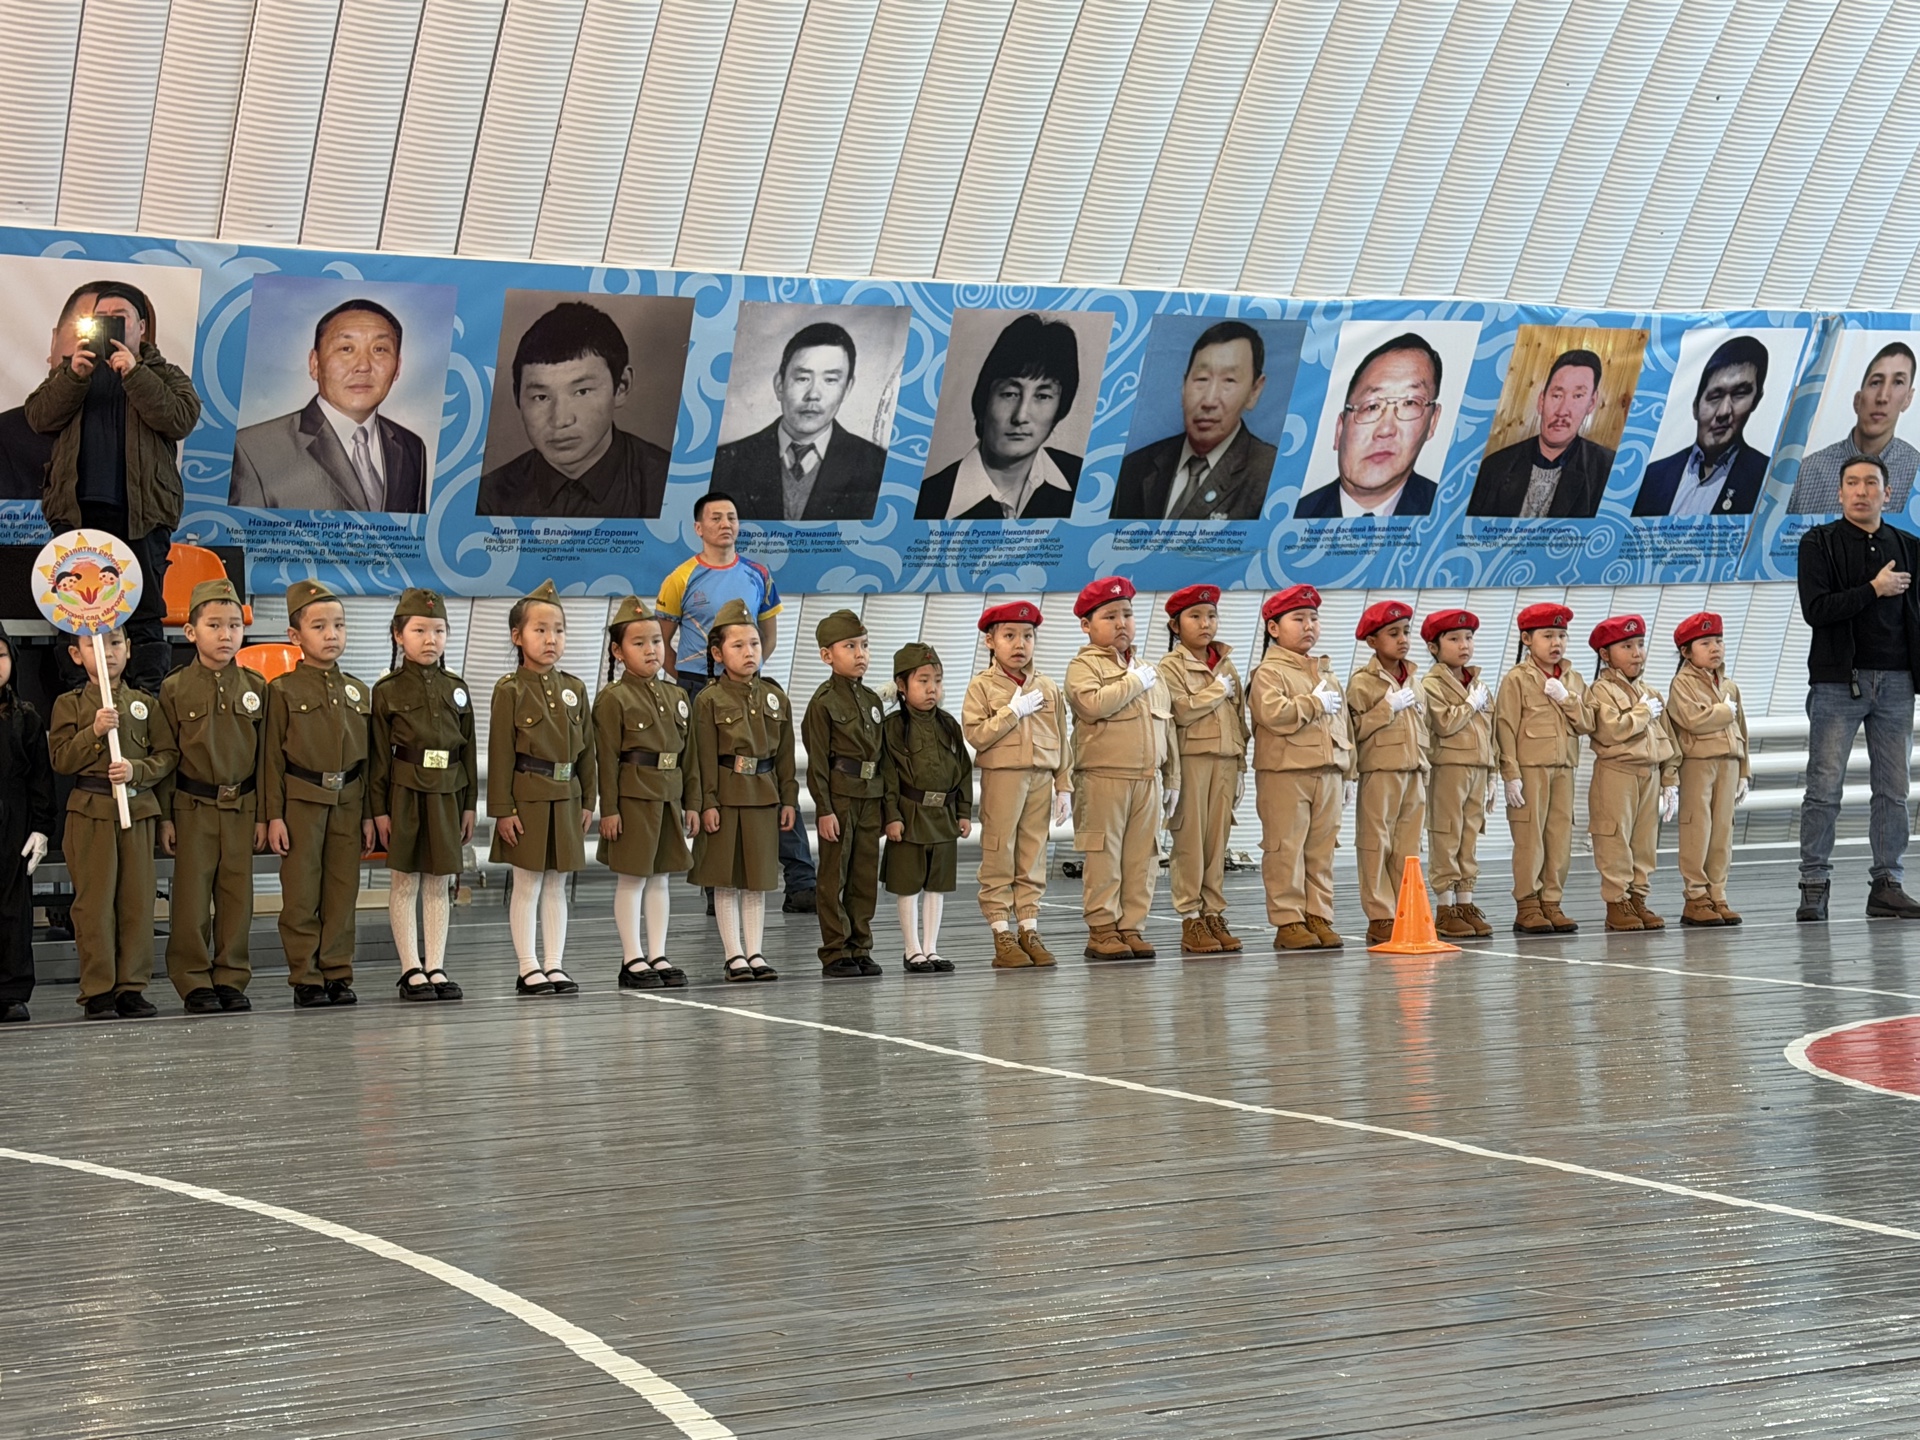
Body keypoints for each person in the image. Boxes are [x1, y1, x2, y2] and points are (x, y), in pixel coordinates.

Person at [27, 279, 200, 696]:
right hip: (77, 514)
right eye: (101, 318)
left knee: (143, 613)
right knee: (74, 615)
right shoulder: (72, 369)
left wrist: (134, 373)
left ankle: (145, 704)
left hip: (142, 515)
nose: (109, 324)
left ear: (141, 327)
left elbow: (180, 418)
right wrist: (73, 376)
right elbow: (39, 418)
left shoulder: (164, 374)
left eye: (119, 318)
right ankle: (80, 704)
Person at [657, 491, 816, 910]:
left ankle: (801, 881)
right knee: (712, 784)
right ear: (699, 527)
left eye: (731, 517)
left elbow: (768, 637)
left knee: (771, 777)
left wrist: (744, 671)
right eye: (716, 518)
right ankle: (718, 886)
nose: (725, 524)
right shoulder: (680, 578)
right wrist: (690, 681)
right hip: (698, 689)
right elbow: (660, 643)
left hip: (751, 689)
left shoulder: (758, 573)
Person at [1795, 452, 1920, 920]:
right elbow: (1817, 610)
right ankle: (1814, 883)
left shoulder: (1908, 546)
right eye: (1852, 483)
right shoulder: (1819, 543)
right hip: (1838, 682)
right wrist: (1873, 589)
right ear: (1839, 491)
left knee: (1893, 789)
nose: (1861, 491)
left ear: (1888, 492)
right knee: (1824, 788)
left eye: (1871, 483)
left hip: (1896, 681)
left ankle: (1887, 883)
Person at [261, 579, 375, 1008]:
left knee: (342, 893)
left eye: (339, 625)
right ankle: (305, 976)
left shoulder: (359, 691)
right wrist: (274, 815)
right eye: (319, 626)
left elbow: (369, 762)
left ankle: (337, 972)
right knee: (301, 895)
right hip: (302, 803)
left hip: (348, 802)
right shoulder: (281, 691)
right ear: (295, 636)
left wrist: (368, 814)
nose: (332, 635)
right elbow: (271, 760)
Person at [51, 624, 175, 1019]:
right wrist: (94, 731)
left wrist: (137, 771)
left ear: (129, 649)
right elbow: (61, 760)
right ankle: (98, 989)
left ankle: (131, 987)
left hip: (136, 812)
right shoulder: (69, 705)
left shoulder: (144, 704)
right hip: (91, 813)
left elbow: (167, 755)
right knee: (95, 905)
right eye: (94, 645)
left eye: (116, 643)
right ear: (76, 655)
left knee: (137, 902)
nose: (107, 652)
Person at [156, 577, 267, 1014]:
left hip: (243, 806)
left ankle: (231, 977)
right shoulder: (174, 688)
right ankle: (193, 979)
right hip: (193, 807)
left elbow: (266, 759)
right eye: (214, 625)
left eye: (234, 626)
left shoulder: (257, 687)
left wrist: (264, 815)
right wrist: (166, 817)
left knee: (238, 898)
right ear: (191, 632)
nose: (226, 635)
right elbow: (166, 757)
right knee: (191, 899)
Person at [488, 580, 596, 995]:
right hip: (528, 796)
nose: (551, 639)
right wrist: (503, 810)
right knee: (528, 882)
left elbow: (587, 751)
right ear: (517, 636)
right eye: (540, 630)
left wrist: (588, 799)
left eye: (559, 630)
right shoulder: (509, 690)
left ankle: (554, 963)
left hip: (566, 797)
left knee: (556, 883)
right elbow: (501, 753)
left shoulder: (575, 688)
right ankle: (528, 965)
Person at [371, 588, 476, 1002]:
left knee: (439, 881)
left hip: (448, 792)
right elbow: (379, 757)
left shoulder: (457, 688)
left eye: (439, 631)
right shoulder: (387, 690)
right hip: (405, 792)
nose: (430, 639)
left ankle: (436, 965)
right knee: (405, 881)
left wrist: (469, 805)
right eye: (419, 630)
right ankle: (410, 968)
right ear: (399, 635)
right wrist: (379, 810)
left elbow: (468, 751)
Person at [1067, 576, 1178, 961]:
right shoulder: (1084, 667)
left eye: (1127, 614)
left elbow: (1168, 729)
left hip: (1147, 779)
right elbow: (1093, 705)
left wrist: (1173, 777)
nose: (1121, 623)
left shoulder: (1149, 670)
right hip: (1103, 777)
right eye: (1110, 616)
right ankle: (1102, 929)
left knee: (1142, 858)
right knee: (1104, 856)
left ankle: (1131, 926)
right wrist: (1132, 682)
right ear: (1087, 625)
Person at [229, 298, 427, 513]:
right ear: (314, 363)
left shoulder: (413, 447)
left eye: (379, 349)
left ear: (397, 367)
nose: (363, 366)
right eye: (346, 348)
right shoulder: (251, 450)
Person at [475, 301, 669, 519]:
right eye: (541, 397)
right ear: (517, 397)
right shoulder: (487, 498)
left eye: (582, 392)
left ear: (621, 386)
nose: (560, 420)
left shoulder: (667, 484)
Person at [688, 597, 796, 982]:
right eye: (738, 645)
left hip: (763, 796)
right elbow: (701, 757)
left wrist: (789, 799)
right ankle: (734, 954)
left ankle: (756, 952)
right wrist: (707, 802)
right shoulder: (709, 699)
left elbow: (785, 756)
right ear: (717, 654)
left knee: (757, 878)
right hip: (726, 795)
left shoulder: (775, 696)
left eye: (754, 643)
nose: (749, 652)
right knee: (725, 877)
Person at [961, 600, 1070, 969]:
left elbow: (1062, 739)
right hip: (1004, 777)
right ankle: (1001, 933)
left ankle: (1029, 929)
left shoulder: (1048, 687)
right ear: (990, 641)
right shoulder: (982, 686)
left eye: (1028, 636)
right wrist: (1012, 711)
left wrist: (1064, 785)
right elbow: (976, 734)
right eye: (1009, 635)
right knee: (999, 851)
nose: (1020, 644)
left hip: (1041, 779)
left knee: (1033, 854)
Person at [595, 596, 694, 990]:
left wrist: (691, 803)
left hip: (668, 794)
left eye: (656, 641)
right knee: (633, 877)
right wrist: (609, 808)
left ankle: (658, 953)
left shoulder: (676, 696)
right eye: (639, 643)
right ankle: (632, 956)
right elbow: (606, 759)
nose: (652, 649)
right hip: (633, 797)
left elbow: (689, 758)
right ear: (618, 652)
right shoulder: (613, 698)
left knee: (661, 878)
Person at [1249, 584, 1351, 950]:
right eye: (1298, 618)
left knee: (1322, 849)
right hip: (1286, 773)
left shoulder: (1325, 673)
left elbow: (1344, 725)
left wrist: (1348, 771)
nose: (1309, 626)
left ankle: (1317, 914)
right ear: (1274, 628)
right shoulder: (1269, 672)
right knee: (1285, 849)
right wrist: (1313, 703)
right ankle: (1288, 920)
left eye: (1313, 618)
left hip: (1328, 772)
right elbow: (1273, 714)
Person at [917, 312, 1086, 521]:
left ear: (1061, 407)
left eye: (1043, 396)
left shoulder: (1083, 478)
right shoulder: (927, 501)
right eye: (1010, 394)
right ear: (984, 399)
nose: (1021, 416)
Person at [712, 321, 888, 520]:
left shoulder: (878, 466)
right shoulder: (724, 462)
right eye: (802, 378)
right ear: (779, 385)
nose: (813, 394)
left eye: (830, 380)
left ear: (847, 389)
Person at [1157, 584, 1248, 954]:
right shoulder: (1170, 666)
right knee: (1190, 843)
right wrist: (1215, 692)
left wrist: (1241, 765)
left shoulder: (1225, 664)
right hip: (1192, 760)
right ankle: (1190, 916)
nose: (1205, 623)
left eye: (1211, 615)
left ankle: (1213, 912)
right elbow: (1179, 711)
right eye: (1195, 616)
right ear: (1175, 625)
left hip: (1226, 760)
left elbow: (1239, 718)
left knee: (1216, 843)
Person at [1111, 321, 1277, 521]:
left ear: (1254, 391)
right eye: (1201, 378)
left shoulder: (1272, 474)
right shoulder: (1134, 468)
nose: (1209, 401)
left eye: (1229, 380)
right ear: (1184, 385)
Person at [1495, 603, 1593, 934]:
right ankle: (1527, 904)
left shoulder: (1573, 679)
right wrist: (1510, 774)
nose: (1556, 643)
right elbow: (1505, 727)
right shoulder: (1517, 679)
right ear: (1527, 639)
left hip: (1564, 768)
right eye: (1548, 635)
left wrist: (1567, 698)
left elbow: (1588, 722)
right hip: (1530, 770)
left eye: (1562, 635)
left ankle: (1551, 901)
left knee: (1559, 837)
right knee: (1530, 838)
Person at [804, 609, 887, 979]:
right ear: (827, 655)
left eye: (864, 645)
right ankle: (836, 950)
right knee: (834, 875)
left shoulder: (872, 700)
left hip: (870, 796)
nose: (860, 654)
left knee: (864, 876)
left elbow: (882, 758)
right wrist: (824, 809)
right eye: (850, 646)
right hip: (839, 797)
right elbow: (818, 763)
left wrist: (885, 806)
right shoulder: (822, 702)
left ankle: (860, 946)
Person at [1585, 615, 1678, 932]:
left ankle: (1638, 897)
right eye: (1626, 646)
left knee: (1644, 840)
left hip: (1649, 774)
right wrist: (1641, 712)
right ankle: (1617, 902)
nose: (1637, 652)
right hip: (1617, 772)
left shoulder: (1651, 692)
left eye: (1640, 644)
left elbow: (1668, 739)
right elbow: (1611, 730)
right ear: (1605, 654)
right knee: (1615, 837)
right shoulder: (1601, 691)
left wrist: (1669, 779)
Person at [883, 643, 971, 974]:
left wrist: (963, 812)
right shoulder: (893, 727)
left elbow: (963, 771)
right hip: (910, 815)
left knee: (937, 884)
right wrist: (892, 816)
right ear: (901, 686)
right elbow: (887, 776)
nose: (932, 688)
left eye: (937, 680)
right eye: (923, 681)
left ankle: (931, 948)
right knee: (908, 883)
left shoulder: (948, 724)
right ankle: (912, 950)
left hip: (943, 816)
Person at [1348, 600, 1428, 945]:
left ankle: (1406, 909)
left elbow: (1423, 726)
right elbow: (1352, 730)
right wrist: (1385, 708)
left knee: (1408, 847)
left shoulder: (1415, 680)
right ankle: (1380, 914)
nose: (1403, 639)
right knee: (1375, 843)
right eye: (1393, 633)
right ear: (1372, 641)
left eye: (1406, 632)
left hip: (1414, 771)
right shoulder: (1362, 683)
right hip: (1380, 770)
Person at [1296, 333, 1444, 519]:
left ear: (1433, 421)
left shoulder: (1448, 510)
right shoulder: (1297, 515)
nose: (1386, 430)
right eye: (1372, 407)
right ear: (1339, 430)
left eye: (1409, 403)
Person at [1667, 611, 1749, 927]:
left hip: (1728, 763)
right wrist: (1722, 711)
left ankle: (1717, 894)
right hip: (1698, 764)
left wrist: (1744, 771)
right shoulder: (1682, 684)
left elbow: (1742, 730)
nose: (1715, 648)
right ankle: (1696, 896)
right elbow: (1692, 720)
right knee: (1697, 830)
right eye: (1705, 643)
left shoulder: (1729, 686)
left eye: (1718, 641)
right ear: (1686, 651)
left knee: (1722, 832)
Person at [1633, 336, 1772, 517]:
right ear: (1695, 407)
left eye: (1739, 394)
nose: (1724, 411)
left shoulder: (1768, 478)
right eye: (1715, 396)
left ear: (1756, 400)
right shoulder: (1652, 476)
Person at [1467, 349, 1615, 518]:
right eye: (1557, 395)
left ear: (1591, 403)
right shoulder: (1494, 467)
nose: (1562, 411)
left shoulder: (1608, 470)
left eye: (1578, 396)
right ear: (1541, 401)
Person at [0, 279, 113, 500]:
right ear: (54, 341)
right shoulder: (4, 436)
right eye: (85, 331)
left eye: (111, 337)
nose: (92, 350)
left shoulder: (150, 437)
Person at [1421, 609, 1496, 940]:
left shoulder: (1478, 684)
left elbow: (1491, 733)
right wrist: (1468, 704)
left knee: (1469, 836)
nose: (1464, 645)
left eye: (1468, 638)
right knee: (1446, 834)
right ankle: (1445, 907)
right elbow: (1444, 724)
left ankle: (1465, 902)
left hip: (1478, 768)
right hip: (1448, 767)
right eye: (1453, 639)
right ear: (1433, 647)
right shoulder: (1431, 685)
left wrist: (1493, 773)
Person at [1791, 342, 1920, 513]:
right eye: (1876, 382)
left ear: (1908, 399)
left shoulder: (1916, 472)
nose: (1882, 397)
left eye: (1898, 382)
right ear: (1857, 400)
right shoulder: (1807, 472)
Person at [0, 631, 54, 1023]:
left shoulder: (26, 718)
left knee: (13, 910)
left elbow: (40, 780)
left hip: (13, 823)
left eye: (0, 655)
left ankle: (11, 992)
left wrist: (42, 828)